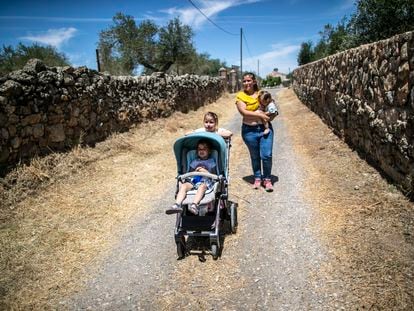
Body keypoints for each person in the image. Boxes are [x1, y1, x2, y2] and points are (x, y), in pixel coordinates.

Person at [235, 72, 277, 192]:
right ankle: (257, 178)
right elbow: (244, 112)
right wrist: (260, 114)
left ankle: (267, 179)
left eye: (249, 80)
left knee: (266, 155)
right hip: (249, 131)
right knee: (255, 156)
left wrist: (270, 115)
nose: (246, 83)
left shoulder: (261, 94)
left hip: (265, 129)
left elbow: (272, 107)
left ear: (254, 82)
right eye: (244, 81)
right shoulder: (240, 96)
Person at [166, 139, 217, 215]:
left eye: (204, 149)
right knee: (184, 186)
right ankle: (176, 204)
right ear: (197, 151)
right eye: (199, 149)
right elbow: (189, 174)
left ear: (209, 151)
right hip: (194, 181)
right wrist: (194, 172)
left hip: (205, 182)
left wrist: (205, 172)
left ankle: (194, 205)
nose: (201, 151)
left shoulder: (211, 162)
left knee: (202, 186)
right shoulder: (194, 162)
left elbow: (214, 176)